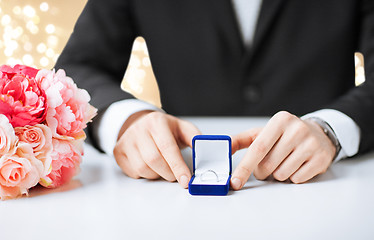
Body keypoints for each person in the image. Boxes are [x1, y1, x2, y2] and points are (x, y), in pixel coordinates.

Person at [55, 0, 374, 190]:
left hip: (329, 186)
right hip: (175, 193)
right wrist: (126, 119)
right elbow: (79, 66)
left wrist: (332, 130)